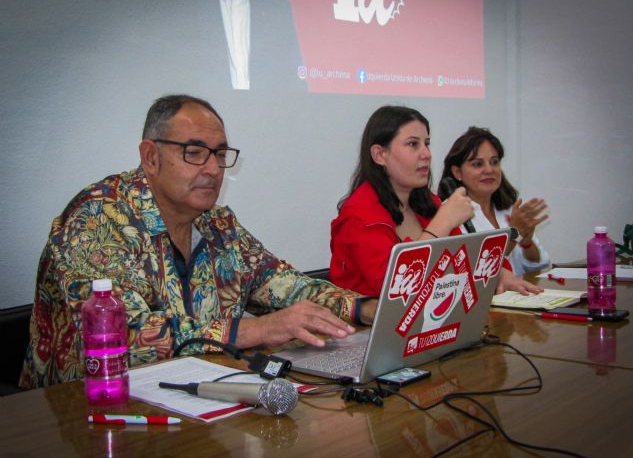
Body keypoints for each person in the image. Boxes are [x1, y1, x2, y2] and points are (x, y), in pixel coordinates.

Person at [20, 94, 375, 388]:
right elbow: (125, 336)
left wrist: (363, 307)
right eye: (194, 152)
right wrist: (256, 329)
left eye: (220, 154)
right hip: (86, 412)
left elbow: (281, 283)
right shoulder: (97, 218)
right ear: (151, 157)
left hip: (195, 398)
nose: (213, 169)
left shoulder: (217, 223)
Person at [329, 105, 542, 297]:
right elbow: (394, 289)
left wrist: (500, 273)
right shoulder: (359, 215)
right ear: (379, 155)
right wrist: (442, 224)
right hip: (365, 335)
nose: (426, 154)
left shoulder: (426, 203)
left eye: (427, 143)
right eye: (413, 144)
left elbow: (464, 260)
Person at [438, 126, 550, 276]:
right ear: (457, 172)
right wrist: (515, 234)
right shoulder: (449, 214)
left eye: (494, 162)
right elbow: (479, 272)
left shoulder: (509, 209)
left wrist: (527, 242)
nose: (489, 170)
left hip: (517, 296)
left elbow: (537, 266)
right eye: (478, 164)